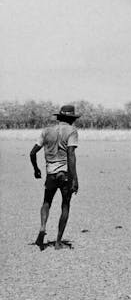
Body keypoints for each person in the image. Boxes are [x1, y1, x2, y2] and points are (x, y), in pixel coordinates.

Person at [29, 104, 80, 250]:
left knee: (46, 202)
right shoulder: (72, 131)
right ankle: (58, 242)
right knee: (65, 205)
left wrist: (36, 170)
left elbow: (32, 153)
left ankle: (42, 227)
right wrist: (74, 178)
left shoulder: (46, 131)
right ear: (71, 119)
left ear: (60, 117)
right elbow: (71, 154)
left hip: (50, 174)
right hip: (64, 174)